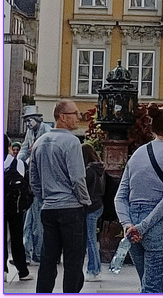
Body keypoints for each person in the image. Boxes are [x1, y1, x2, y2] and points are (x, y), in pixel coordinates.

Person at [114, 104, 163, 293]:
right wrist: (144, 226)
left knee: (146, 284)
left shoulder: (138, 153)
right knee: (154, 289)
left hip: (133, 224)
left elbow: (120, 196)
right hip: (158, 224)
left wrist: (127, 224)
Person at [29, 100, 91, 293]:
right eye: (75, 114)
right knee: (73, 260)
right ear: (63, 117)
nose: (78, 117)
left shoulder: (39, 142)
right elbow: (78, 178)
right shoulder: (71, 142)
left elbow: (34, 180)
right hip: (70, 208)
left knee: (48, 259)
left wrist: (45, 197)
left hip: (48, 208)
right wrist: (85, 202)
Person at [20, 106, 52, 265]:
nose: (27, 124)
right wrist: (17, 163)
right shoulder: (30, 132)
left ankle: (37, 253)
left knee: (38, 223)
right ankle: (26, 253)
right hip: (31, 183)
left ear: (37, 119)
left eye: (29, 120)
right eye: (25, 121)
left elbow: (43, 154)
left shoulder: (47, 131)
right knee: (29, 222)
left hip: (41, 184)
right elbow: (25, 149)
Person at [4, 135, 32, 282]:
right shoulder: (18, 164)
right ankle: (22, 271)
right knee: (16, 238)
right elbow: (27, 184)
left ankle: (2, 270)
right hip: (15, 207)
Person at [81, 143, 105, 282]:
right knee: (92, 239)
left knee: (90, 239)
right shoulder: (99, 167)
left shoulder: (89, 170)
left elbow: (84, 189)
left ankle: (94, 270)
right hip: (99, 205)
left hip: (90, 206)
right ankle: (95, 268)